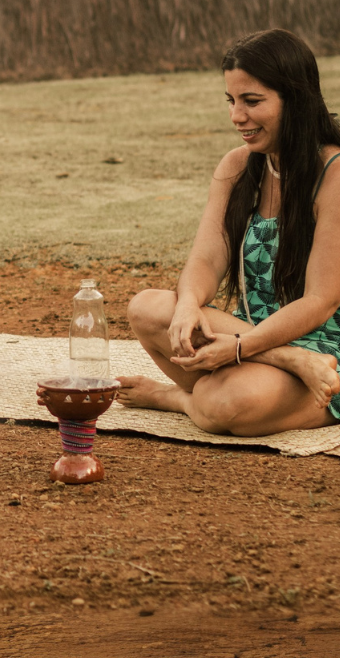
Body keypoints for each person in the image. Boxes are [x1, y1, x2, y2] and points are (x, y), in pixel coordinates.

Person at [119, 29, 340, 435]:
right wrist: (188, 304)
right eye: (231, 101)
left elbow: (320, 301)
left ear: (296, 99)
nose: (237, 116)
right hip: (249, 338)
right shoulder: (237, 167)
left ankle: (177, 399)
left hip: (327, 350)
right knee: (147, 308)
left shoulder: (334, 175)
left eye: (252, 101)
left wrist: (240, 347)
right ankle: (289, 361)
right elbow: (206, 259)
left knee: (226, 402)